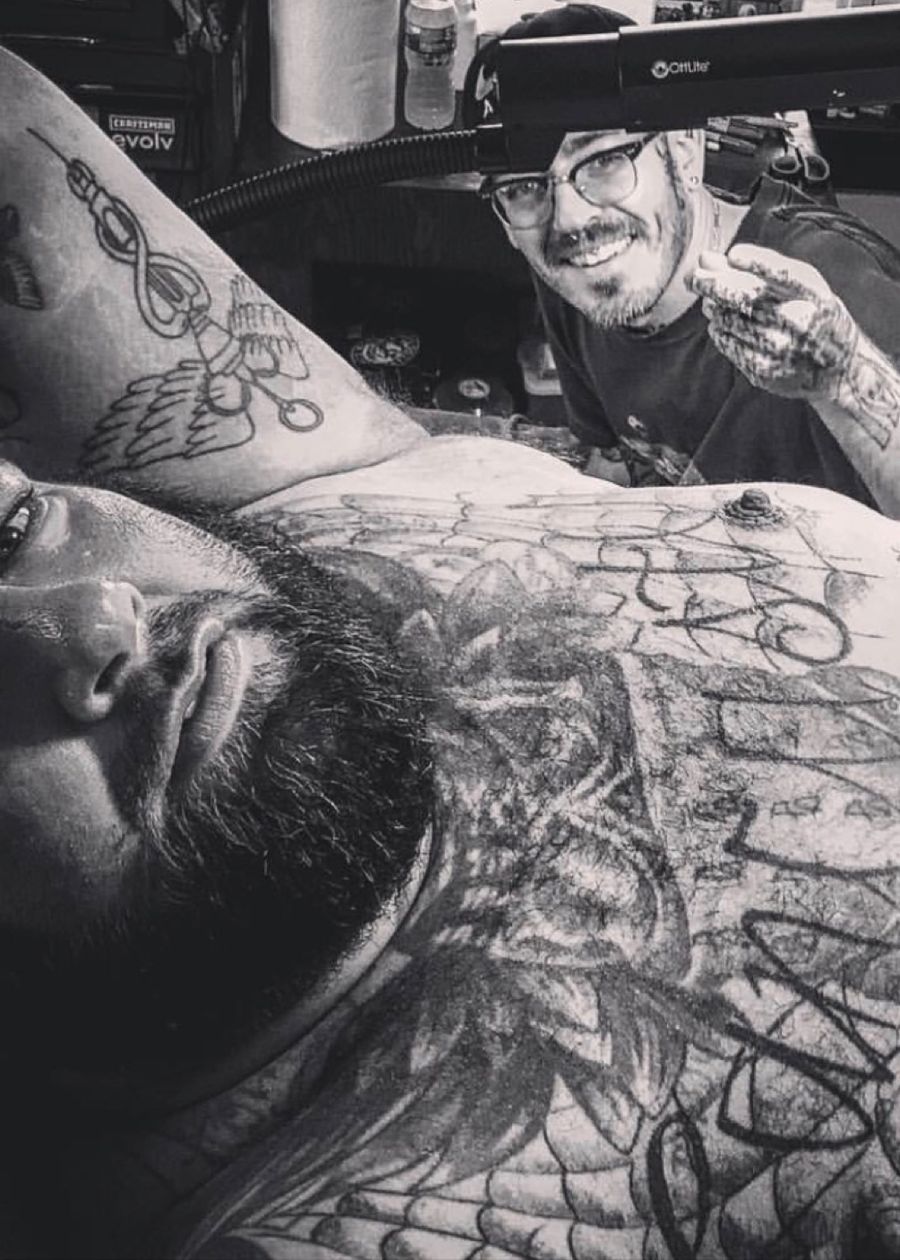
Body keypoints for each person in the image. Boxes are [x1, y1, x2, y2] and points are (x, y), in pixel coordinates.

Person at [3, 37, 900, 1260]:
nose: (101, 623)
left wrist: (851, 380)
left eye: (12, 529)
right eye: (528, 188)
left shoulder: (319, 485)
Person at [480, 6, 900, 515]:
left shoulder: (834, 291)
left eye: (605, 160)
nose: (570, 220)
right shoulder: (576, 275)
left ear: (683, 150)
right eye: (523, 187)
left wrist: (844, 378)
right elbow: (611, 463)